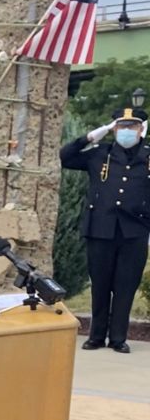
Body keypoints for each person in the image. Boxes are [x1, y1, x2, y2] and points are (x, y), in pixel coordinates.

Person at [61, 107, 150, 354]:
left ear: (141, 129)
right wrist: (91, 136)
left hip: (134, 232)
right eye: (121, 127)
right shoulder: (100, 154)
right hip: (101, 229)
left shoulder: (148, 157)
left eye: (132, 127)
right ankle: (97, 335)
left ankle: (118, 337)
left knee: (125, 286)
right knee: (100, 284)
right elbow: (65, 157)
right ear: (114, 129)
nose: (127, 131)